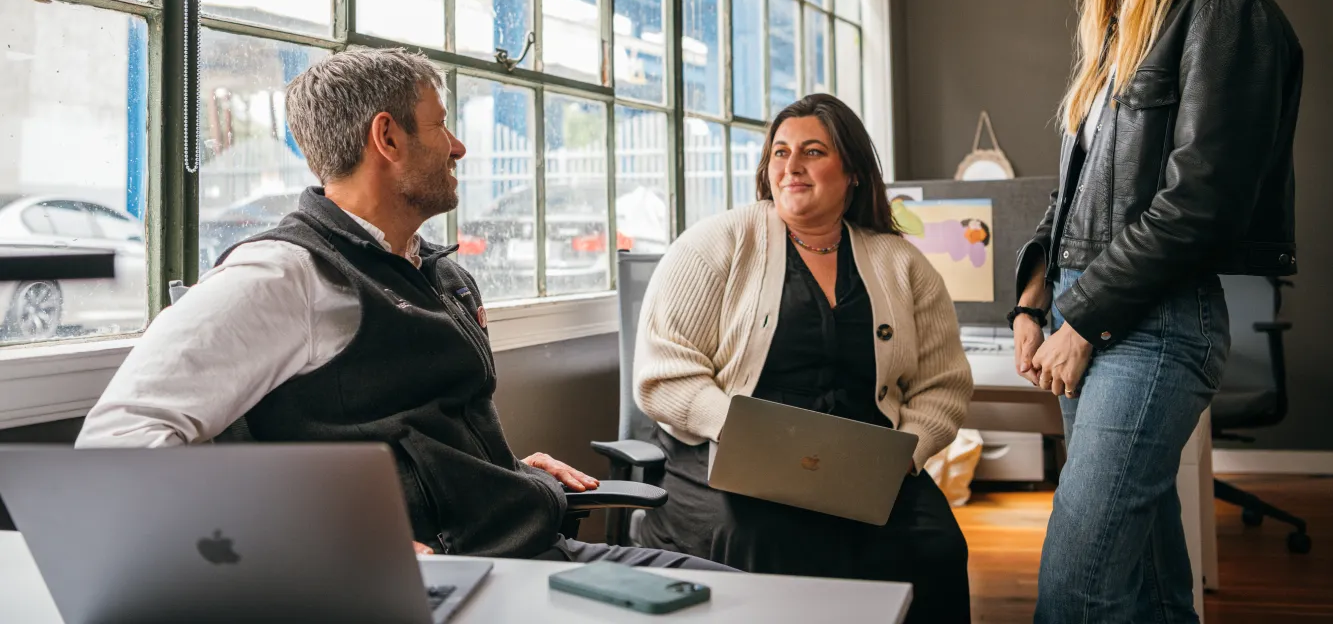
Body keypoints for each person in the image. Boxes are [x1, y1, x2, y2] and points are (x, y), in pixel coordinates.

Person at [77, 48, 726, 571]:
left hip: (525, 543)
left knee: (736, 596)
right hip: (466, 578)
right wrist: (314, 542)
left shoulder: (437, 272)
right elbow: (117, 443)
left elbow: (412, 435)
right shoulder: (285, 277)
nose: (459, 146)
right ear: (387, 137)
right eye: (442, 123)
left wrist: (496, 472)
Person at [1011, 0, 1303, 623]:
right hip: (1092, 313)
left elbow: (1198, 205)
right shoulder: (1118, 34)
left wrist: (1085, 317)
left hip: (1154, 323)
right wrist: (1034, 303)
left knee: (1076, 587)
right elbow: (1073, 200)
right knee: (1140, 579)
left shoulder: (1226, 11)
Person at [632, 93, 974, 621]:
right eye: (779, 152)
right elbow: (664, 374)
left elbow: (942, 385)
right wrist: (744, 431)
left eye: (812, 152)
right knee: (769, 542)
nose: (791, 166)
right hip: (731, 453)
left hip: (865, 461)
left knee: (936, 547)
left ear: (853, 170)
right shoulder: (715, 244)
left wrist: (908, 453)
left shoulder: (901, 264)